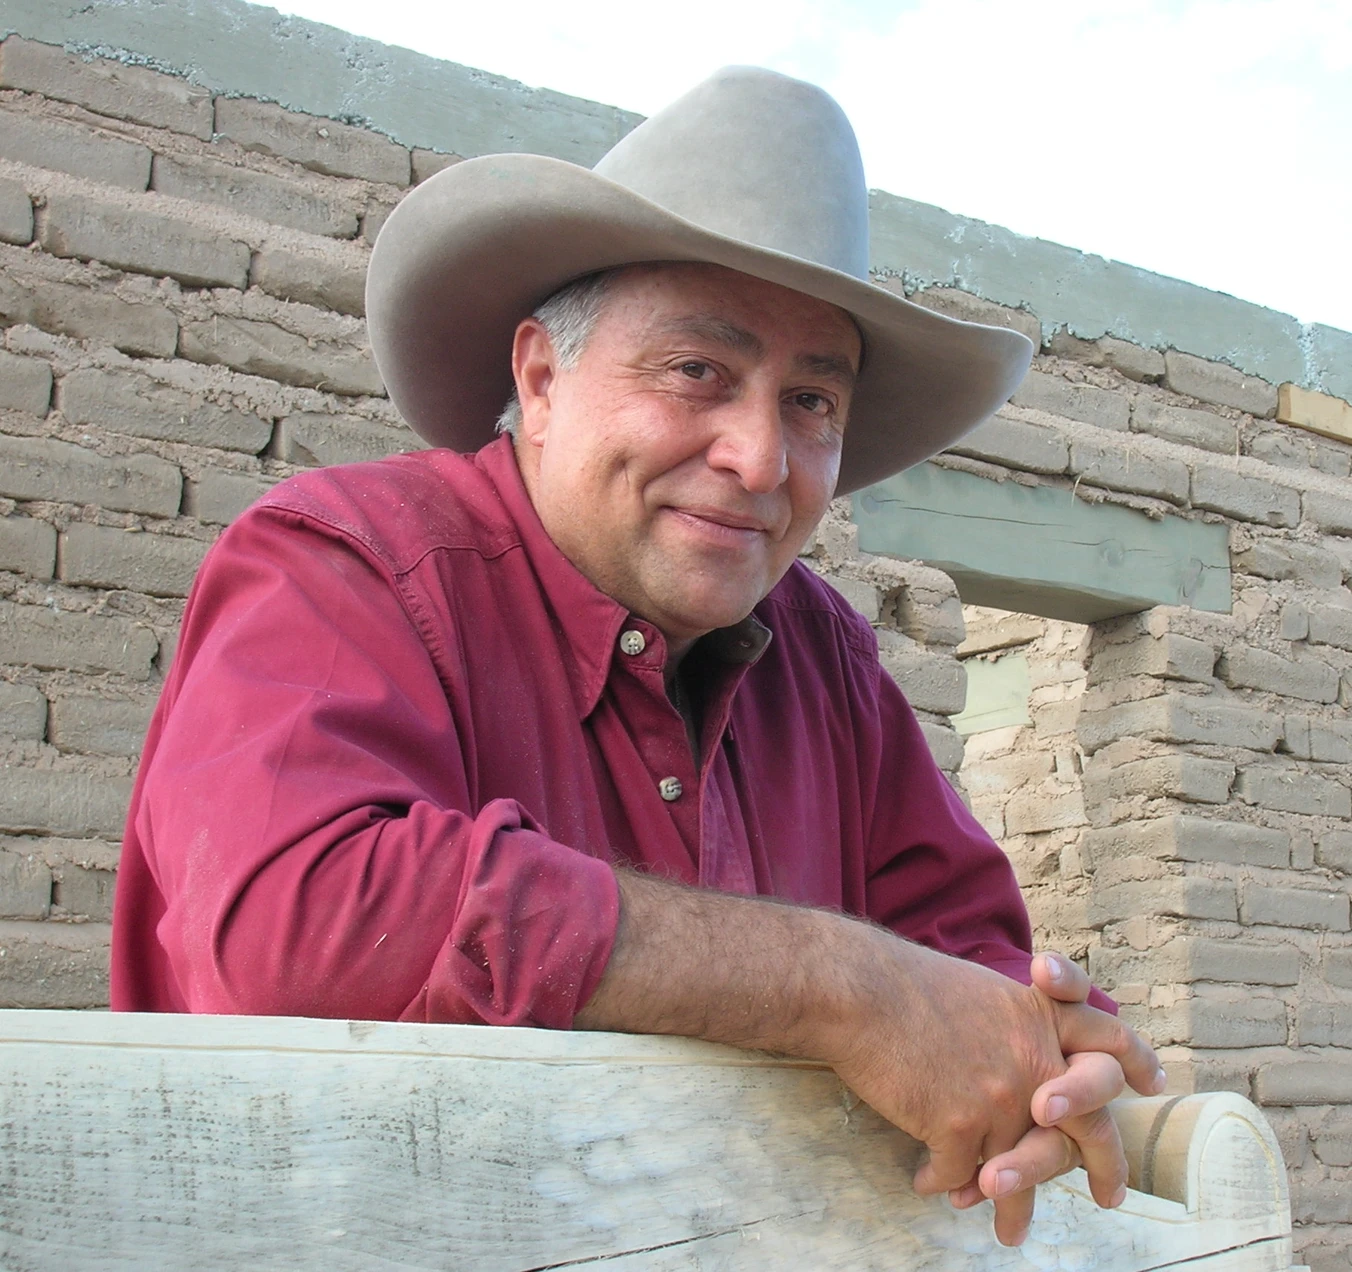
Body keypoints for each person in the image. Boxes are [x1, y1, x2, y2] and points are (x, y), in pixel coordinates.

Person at [110, 66, 1163, 1246]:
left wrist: (1045, 1063)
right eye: (696, 373)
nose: (761, 459)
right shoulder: (342, 564)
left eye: (811, 399)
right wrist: (835, 988)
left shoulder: (823, 660)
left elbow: (973, 968)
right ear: (542, 381)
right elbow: (296, 927)